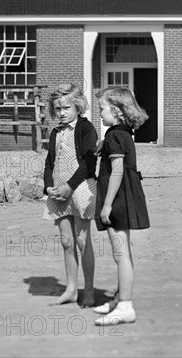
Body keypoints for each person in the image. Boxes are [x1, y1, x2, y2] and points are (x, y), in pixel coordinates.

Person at [92, 87, 150, 325]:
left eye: (102, 109)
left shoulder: (115, 136)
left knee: (120, 253)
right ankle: (119, 298)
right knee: (122, 252)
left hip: (117, 199)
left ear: (116, 111)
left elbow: (117, 172)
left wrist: (106, 205)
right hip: (124, 195)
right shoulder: (121, 134)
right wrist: (103, 145)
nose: (100, 114)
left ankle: (125, 306)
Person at [43, 83, 97, 307]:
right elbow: (49, 163)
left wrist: (70, 186)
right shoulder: (55, 132)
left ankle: (90, 291)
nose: (62, 113)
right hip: (58, 191)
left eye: (66, 108)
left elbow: (89, 161)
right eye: (57, 109)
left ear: (77, 106)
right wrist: (48, 186)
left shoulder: (86, 128)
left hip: (81, 188)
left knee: (82, 241)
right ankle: (71, 289)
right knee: (67, 242)